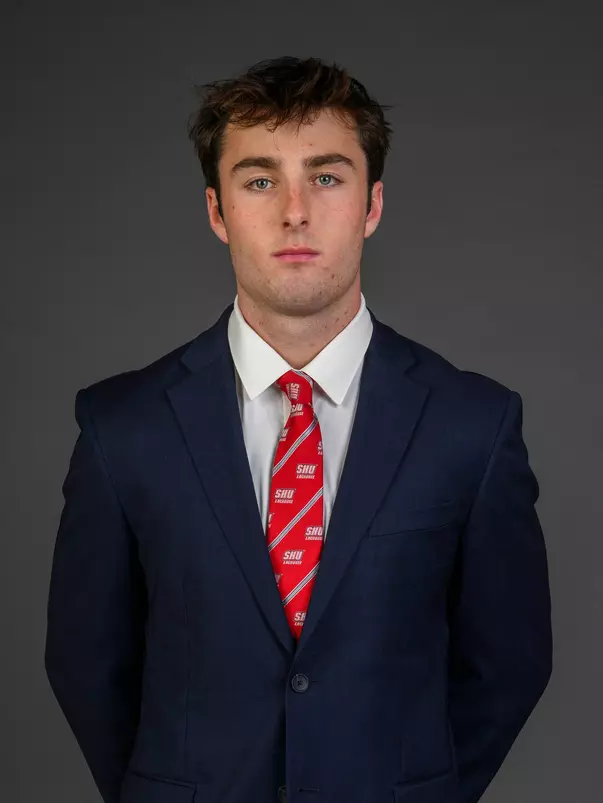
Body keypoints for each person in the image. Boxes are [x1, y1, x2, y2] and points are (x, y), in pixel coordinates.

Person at [44, 56, 552, 803]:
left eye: (325, 176)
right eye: (258, 180)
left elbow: (508, 662)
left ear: (372, 204)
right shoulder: (123, 426)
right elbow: (85, 662)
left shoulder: (471, 425)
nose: (293, 211)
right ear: (217, 211)